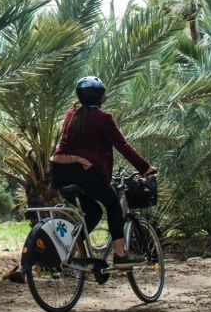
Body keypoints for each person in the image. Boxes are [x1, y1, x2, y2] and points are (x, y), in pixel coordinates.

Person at [50, 75, 156, 266]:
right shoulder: (103, 119)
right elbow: (123, 146)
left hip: (59, 172)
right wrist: (145, 168)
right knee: (113, 204)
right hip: (83, 172)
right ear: (100, 97)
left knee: (93, 212)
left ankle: (70, 248)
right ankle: (120, 254)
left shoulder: (70, 115)